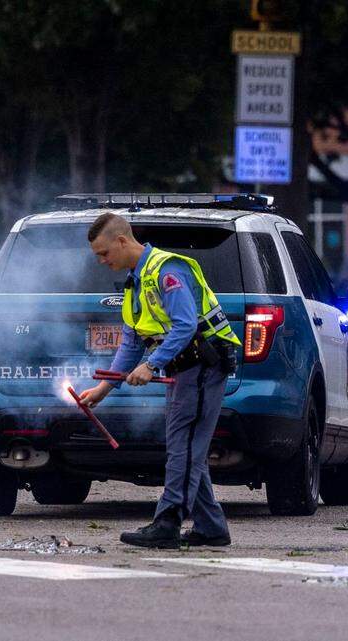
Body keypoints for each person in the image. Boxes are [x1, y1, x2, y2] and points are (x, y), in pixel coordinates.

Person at [80, 213, 240, 549]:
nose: (102, 261)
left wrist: (151, 366)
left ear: (122, 241)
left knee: (184, 446)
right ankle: (211, 527)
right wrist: (103, 389)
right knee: (188, 445)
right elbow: (131, 343)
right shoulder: (136, 281)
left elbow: (184, 325)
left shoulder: (167, 271)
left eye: (104, 253)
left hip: (201, 365)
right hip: (186, 369)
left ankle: (167, 522)